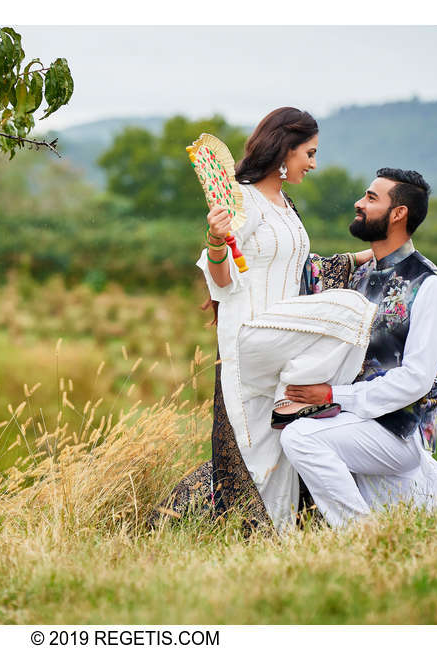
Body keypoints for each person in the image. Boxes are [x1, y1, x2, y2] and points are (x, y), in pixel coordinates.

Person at [152, 107, 376, 533]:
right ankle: (301, 392)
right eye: (309, 153)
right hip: (252, 332)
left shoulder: (286, 206)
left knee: (272, 453)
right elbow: (221, 274)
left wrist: (369, 256)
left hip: (284, 334)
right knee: (351, 310)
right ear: (284, 150)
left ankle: (271, 539)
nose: (313, 163)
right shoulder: (245, 199)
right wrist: (217, 241)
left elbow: (301, 268)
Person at [257, 168, 437, 527]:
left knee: (301, 437)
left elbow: (416, 380)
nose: (358, 203)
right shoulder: (361, 275)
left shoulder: (432, 288)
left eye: (371, 198)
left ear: (398, 214)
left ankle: (361, 535)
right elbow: (297, 275)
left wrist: (332, 394)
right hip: (351, 420)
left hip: (399, 430)